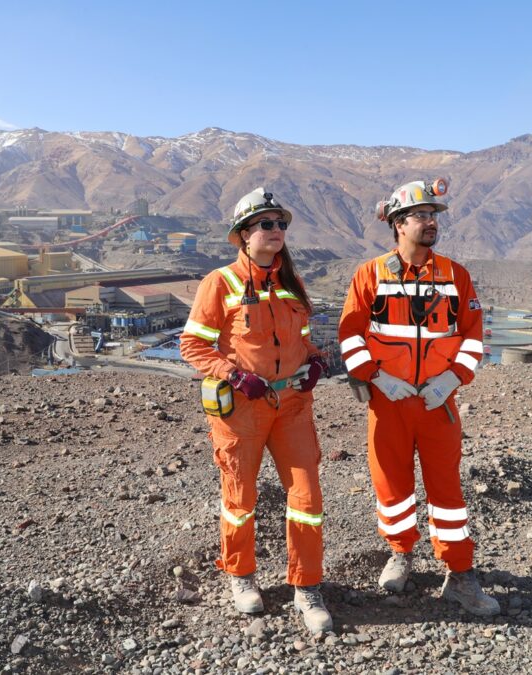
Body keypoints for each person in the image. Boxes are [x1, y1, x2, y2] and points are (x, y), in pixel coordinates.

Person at [338, 179, 499, 616]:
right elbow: (350, 335)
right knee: (392, 486)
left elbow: (472, 336)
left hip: (437, 403)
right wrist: (375, 377)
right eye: (421, 216)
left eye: (433, 216)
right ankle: (400, 553)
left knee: (447, 491)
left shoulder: (455, 275)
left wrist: (452, 378)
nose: (431, 222)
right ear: (398, 224)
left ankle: (460, 574)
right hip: (388, 403)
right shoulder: (370, 275)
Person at [180, 187, 333, 634]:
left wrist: (315, 361)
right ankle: (241, 575)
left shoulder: (291, 285)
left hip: (292, 407)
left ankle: (307, 586)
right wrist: (232, 374)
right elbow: (192, 345)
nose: (276, 230)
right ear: (243, 234)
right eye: (266, 223)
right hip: (242, 409)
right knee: (240, 498)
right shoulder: (220, 283)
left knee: (306, 499)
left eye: (281, 223)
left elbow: (301, 340)